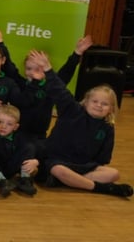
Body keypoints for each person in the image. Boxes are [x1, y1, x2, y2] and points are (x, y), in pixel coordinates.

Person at [27, 50, 133, 198]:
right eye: (95, 101)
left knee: (114, 174)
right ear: (86, 101)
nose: (99, 106)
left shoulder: (107, 127)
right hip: (57, 161)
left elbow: (103, 158)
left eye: (105, 104)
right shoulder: (72, 110)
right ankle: (102, 188)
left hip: (83, 166)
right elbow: (60, 90)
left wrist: (94, 167)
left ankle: (68, 182)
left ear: (111, 109)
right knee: (59, 170)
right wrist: (48, 69)